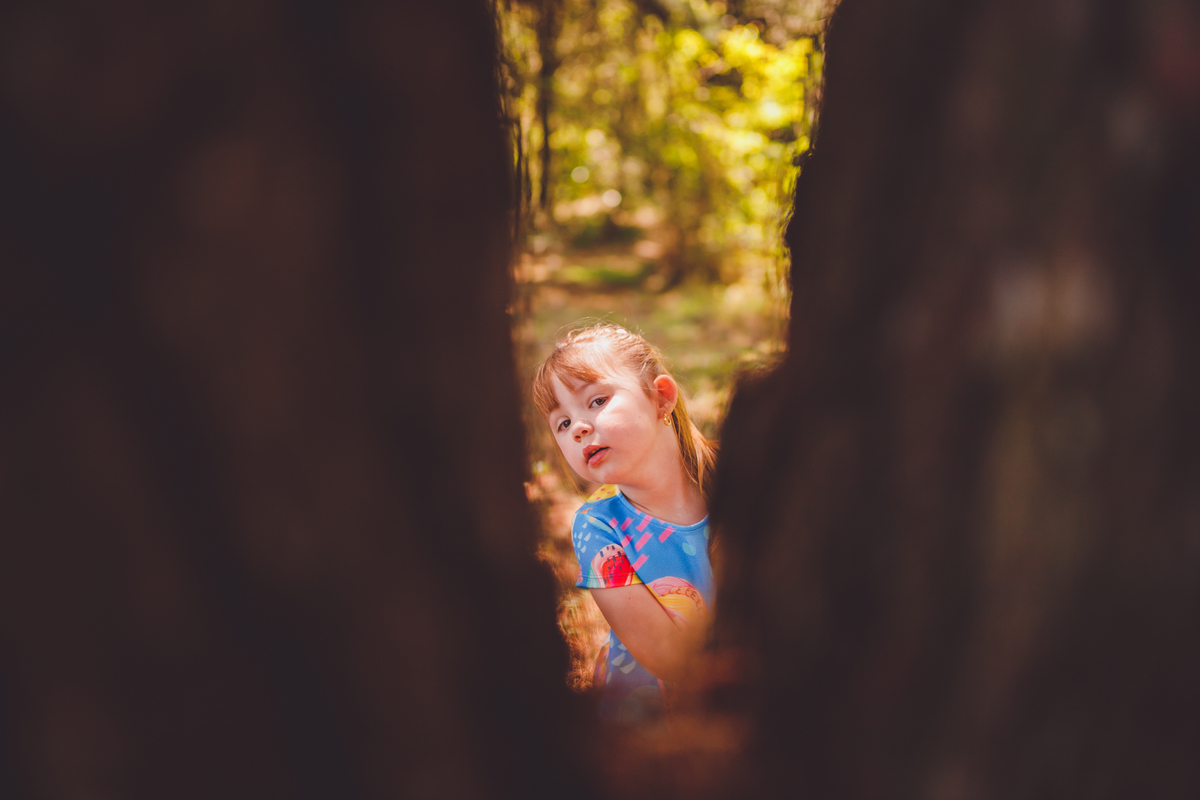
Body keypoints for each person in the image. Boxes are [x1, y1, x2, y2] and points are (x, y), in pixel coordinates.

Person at [532, 324, 717, 723]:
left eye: (596, 401)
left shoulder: (739, 481)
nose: (579, 427)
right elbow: (668, 657)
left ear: (661, 398)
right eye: (562, 424)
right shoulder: (598, 528)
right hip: (647, 726)